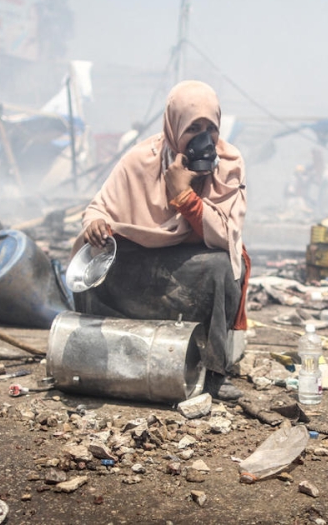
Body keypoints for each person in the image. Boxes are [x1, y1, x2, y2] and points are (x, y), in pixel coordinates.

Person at [71, 80, 251, 401]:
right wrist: (96, 223)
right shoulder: (140, 159)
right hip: (144, 263)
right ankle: (99, 351)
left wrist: (183, 194)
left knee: (222, 267)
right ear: (173, 126)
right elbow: (99, 207)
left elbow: (226, 235)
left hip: (191, 268)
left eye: (210, 128)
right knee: (94, 261)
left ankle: (212, 372)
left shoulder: (229, 164)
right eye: (193, 127)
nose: (203, 138)